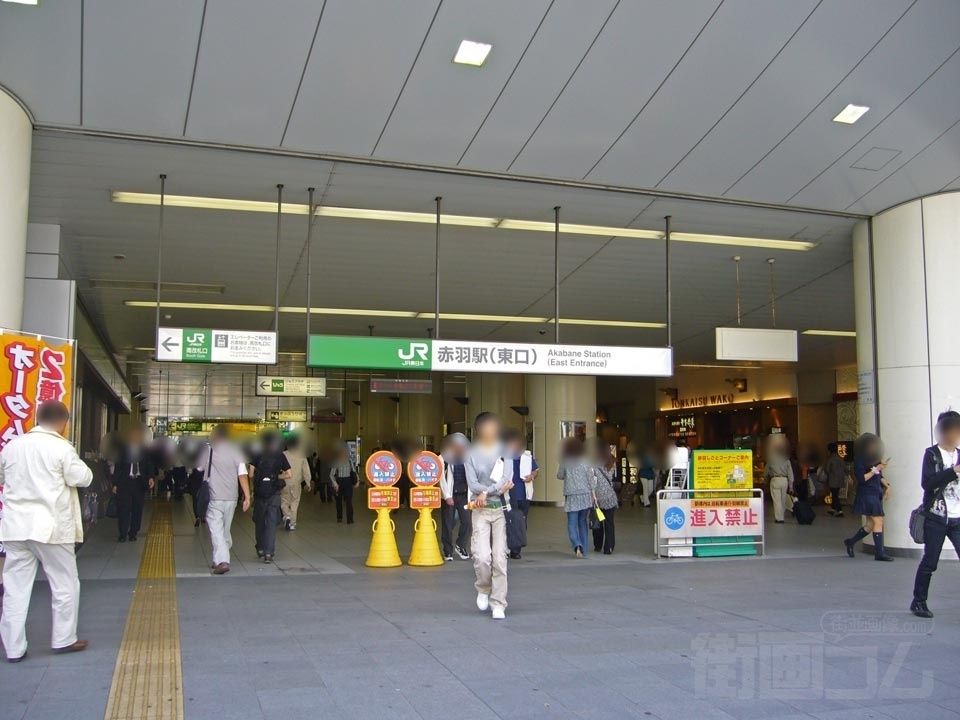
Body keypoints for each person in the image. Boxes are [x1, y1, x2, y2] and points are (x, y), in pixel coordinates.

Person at [0, 401, 93, 662]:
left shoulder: (12, 447)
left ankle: (13, 648)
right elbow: (83, 477)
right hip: (51, 527)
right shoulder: (61, 447)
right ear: (63, 423)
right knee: (64, 583)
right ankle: (64, 638)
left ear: (37, 418)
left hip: (16, 528)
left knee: (15, 589)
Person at [911, 411, 960, 618]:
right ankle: (918, 601)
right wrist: (953, 471)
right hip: (936, 517)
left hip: (958, 518)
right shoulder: (931, 454)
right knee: (930, 562)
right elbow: (927, 483)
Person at [465, 412, 513, 620]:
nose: (491, 431)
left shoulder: (505, 450)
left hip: (500, 509)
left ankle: (498, 603)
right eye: (487, 427)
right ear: (479, 430)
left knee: (500, 558)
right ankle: (483, 587)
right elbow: (472, 483)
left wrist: (487, 492)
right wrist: (486, 492)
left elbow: (506, 479)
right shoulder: (470, 454)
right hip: (480, 510)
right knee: (482, 556)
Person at [200, 425, 251, 575]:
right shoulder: (236, 451)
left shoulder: (209, 450)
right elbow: (242, 474)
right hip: (232, 497)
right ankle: (218, 558)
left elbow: (198, 468)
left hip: (214, 496)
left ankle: (223, 561)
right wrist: (247, 496)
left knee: (217, 529)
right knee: (225, 529)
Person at [843, 433, 893, 561]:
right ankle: (879, 553)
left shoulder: (874, 458)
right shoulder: (859, 460)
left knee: (870, 524)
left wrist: (887, 485)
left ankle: (850, 542)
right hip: (866, 493)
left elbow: (879, 476)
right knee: (878, 521)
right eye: (871, 445)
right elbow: (862, 478)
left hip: (875, 492)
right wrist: (877, 468)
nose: (873, 447)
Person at [249, 431, 290, 563]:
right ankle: (269, 553)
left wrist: (259, 480)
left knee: (259, 521)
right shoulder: (280, 456)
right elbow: (289, 474)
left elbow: (250, 474)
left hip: (260, 493)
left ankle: (260, 548)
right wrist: (275, 477)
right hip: (274, 493)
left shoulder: (257, 454)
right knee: (271, 523)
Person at [112, 425, 155, 542]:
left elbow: (149, 464)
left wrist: (151, 477)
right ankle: (123, 533)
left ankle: (133, 532)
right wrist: (115, 483)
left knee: (137, 508)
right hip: (125, 482)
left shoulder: (145, 450)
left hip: (139, 482)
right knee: (124, 508)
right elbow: (118, 467)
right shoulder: (123, 449)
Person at [558, 437, 596, 558]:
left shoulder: (565, 461)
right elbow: (591, 479)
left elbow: (560, 475)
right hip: (585, 494)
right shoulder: (586, 461)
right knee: (582, 522)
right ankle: (584, 550)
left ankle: (577, 544)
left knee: (572, 523)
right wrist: (594, 495)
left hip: (572, 495)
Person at [504, 428, 538, 560]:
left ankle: (516, 549)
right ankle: (507, 548)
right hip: (508, 493)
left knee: (521, 521)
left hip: (524, 494)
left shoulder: (527, 456)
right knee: (508, 521)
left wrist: (532, 476)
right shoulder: (503, 456)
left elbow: (536, 470)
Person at [440, 432, 471, 561]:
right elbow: (441, 478)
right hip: (450, 495)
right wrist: (447, 496)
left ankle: (461, 545)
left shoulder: (468, 457)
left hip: (464, 495)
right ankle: (447, 551)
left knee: (467, 522)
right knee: (448, 524)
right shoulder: (443, 458)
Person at [592, 440, 619, 554]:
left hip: (598, 498)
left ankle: (598, 545)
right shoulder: (612, 460)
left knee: (598, 522)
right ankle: (609, 547)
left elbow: (592, 480)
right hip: (609, 496)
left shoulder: (594, 462)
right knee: (609, 523)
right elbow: (614, 477)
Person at [281, 436, 311, 531]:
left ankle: (287, 516)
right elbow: (306, 470)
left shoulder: (283, 454)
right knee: (295, 503)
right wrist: (308, 483)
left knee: (284, 501)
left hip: (284, 482)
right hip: (296, 483)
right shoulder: (301, 455)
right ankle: (292, 524)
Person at [764, 436, 794, 524]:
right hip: (784, 480)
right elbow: (790, 474)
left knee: (776, 500)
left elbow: (766, 472)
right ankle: (782, 515)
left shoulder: (771, 460)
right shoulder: (787, 461)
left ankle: (779, 518)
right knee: (783, 499)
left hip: (775, 479)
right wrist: (791, 486)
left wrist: (765, 479)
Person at [329, 441, 358, 524]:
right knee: (339, 501)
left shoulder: (350, 461)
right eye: (342, 452)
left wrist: (357, 481)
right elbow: (331, 475)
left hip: (348, 482)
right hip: (339, 482)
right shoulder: (336, 462)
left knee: (349, 501)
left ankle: (350, 519)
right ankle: (339, 517)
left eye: (345, 452)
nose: (344, 454)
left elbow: (354, 472)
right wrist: (335, 484)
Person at [824, 443, 846, 517]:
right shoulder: (841, 458)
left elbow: (827, 470)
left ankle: (840, 511)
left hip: (833, 480)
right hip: (840, 480)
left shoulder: (830, 459)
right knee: (835, 494)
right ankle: (833, 509)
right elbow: (845, 469)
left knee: (834, 495)